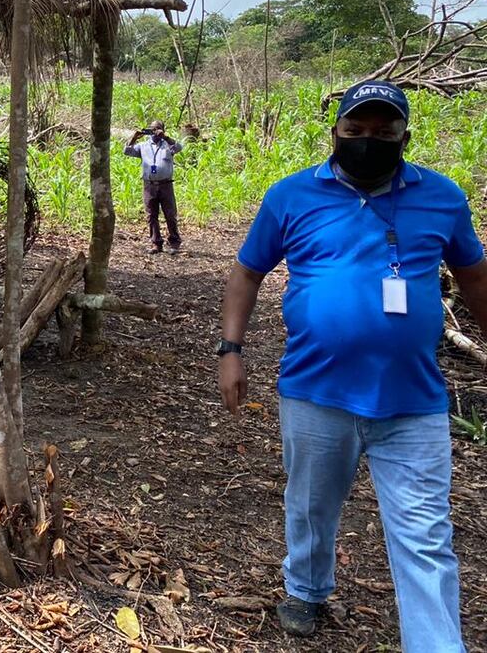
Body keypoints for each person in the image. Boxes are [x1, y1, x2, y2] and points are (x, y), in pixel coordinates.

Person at [216, 80, 487, 649]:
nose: (369, 140)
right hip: (316, 391)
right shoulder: (291, 196)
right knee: (311, 507)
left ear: (405, 137)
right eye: (356, 129)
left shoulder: (442, 197)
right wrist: (230, 350)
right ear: (335, 132)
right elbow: (247, 272)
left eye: (384, 132)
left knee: (426, 537)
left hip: (414, 401)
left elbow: (475, 277)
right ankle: (307, 588)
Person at [124, 120, 183, 254]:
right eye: (152, 129)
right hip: (149, 185)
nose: (155, 131)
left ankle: (174, 242)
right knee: (151, 215)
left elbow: (179, 147)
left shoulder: (167, 145)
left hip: (165, 184)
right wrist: (134, 137)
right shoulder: (143, 146)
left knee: (170, 214)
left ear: (163, 130)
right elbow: (127, 151)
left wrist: (165, 137)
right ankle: (156, 243)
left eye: (158, 128)